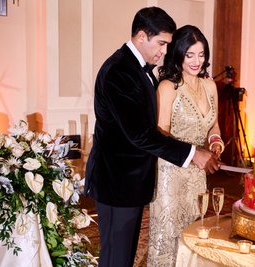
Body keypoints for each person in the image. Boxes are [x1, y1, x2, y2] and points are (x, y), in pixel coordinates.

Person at [84, 8, 220, 267]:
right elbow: (140, 135)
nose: (164, 52)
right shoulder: (119, 71)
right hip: (117, 181)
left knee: (123, 255)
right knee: (116, 257)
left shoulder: (137, 67)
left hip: (130, 182)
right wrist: (194, 153)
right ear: (141, 36)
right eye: (161, 43)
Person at [147, 25, 223, 267]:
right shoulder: (167, 87)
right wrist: (194, 154)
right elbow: (160, 135)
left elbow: (214, 125)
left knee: (194, 234)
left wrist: (215, 143)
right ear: (177, 54)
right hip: (171, 175)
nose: (196, 61)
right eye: (189, 54)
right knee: (168, 238)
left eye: (201, 55)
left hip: (198, 176)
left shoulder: (210, 86)